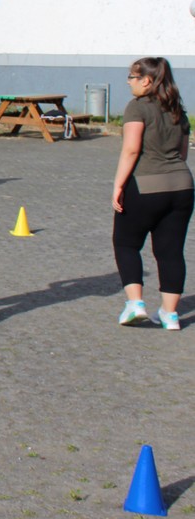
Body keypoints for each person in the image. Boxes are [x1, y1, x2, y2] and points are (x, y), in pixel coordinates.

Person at [111, 56, 192, 330]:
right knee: (171, 251)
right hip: (182, 186)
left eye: (132, 77)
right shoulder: (178, 110)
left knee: (126, 243)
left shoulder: (138, 107)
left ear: (146, 80)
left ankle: (135, 304)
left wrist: (119, 185)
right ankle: (170, 315)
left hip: (146, 185)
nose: (128, 81)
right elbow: (182, 153)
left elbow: (132, 149)